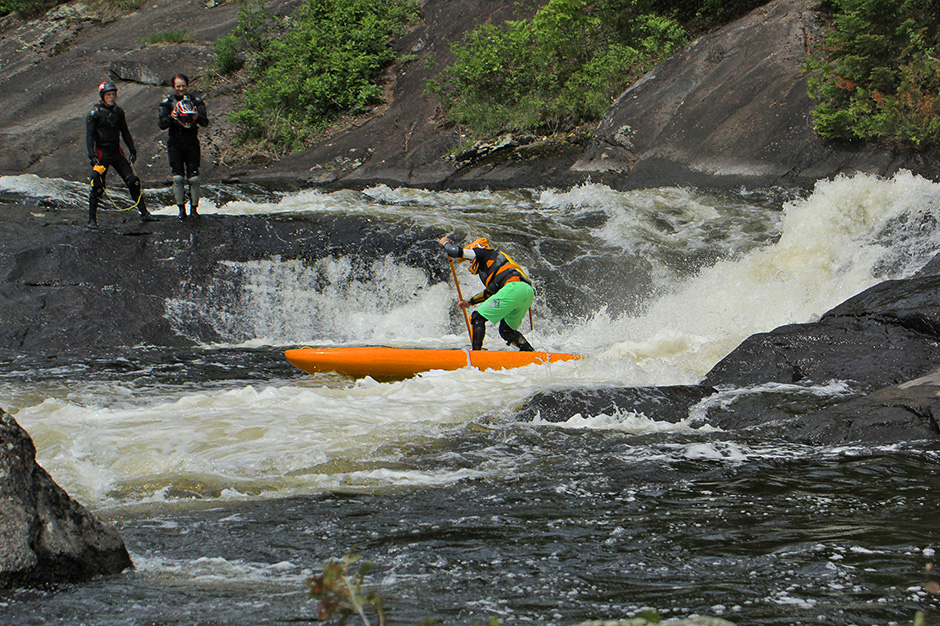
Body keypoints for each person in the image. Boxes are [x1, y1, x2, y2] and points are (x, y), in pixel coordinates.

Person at [440, 236, 536, 351]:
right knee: (506, 331)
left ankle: (476, 353)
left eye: (470, 259)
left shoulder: (484, 252)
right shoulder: (495, 263)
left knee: (477, 318)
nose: (470, 262)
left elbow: (455, 252)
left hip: (513, 289)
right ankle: (530, 353)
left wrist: (445, 243)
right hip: (526, 293)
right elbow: (489, 293)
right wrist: (469, 302)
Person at [86, 80, 154, 228]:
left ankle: (144, 213)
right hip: (101, 154)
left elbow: (125, 132)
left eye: (113, 95)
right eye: (108, 95)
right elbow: (89, 136)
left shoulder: (118, 112)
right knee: (97, 185)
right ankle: (92, 220)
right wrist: (92, 155)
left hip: (117, 152)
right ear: (102, 96)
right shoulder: (94, 113)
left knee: (133, 181)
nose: (111, 97)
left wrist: (132, 150)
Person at [158, 73, 208, 219]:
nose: (181, 89)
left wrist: (196, 117)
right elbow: (161, 124)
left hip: (191, 142)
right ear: (173, 87)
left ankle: (194, 209)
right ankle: (181, 210)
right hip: (175, 143)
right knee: (178, 178)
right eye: (178, 86)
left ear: (187, 85)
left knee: (194, 178)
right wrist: (171, 116)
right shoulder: (167, 103)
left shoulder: (196, 101)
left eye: (183, 86)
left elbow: (205, 122)